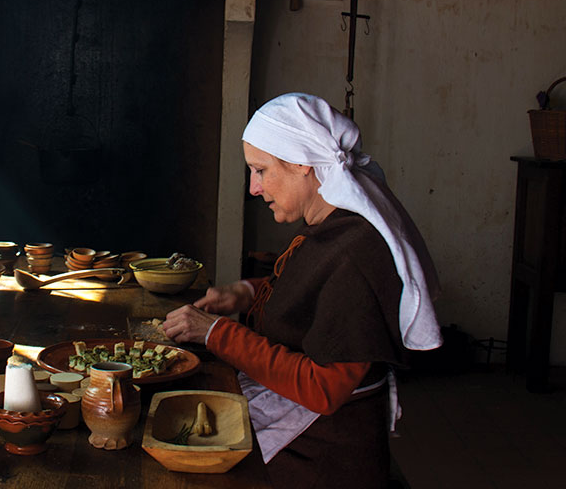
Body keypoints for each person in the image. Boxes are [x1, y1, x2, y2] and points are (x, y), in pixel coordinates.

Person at [162, 93, 442, 488]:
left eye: (260, 170)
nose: (255, 188)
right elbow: (312, 290)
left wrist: (216, 332)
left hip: (325, 457)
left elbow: (322, 389)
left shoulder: (356, 253)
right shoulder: (332, 227)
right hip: (310, 435)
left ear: (301, 165)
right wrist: (247, 293)